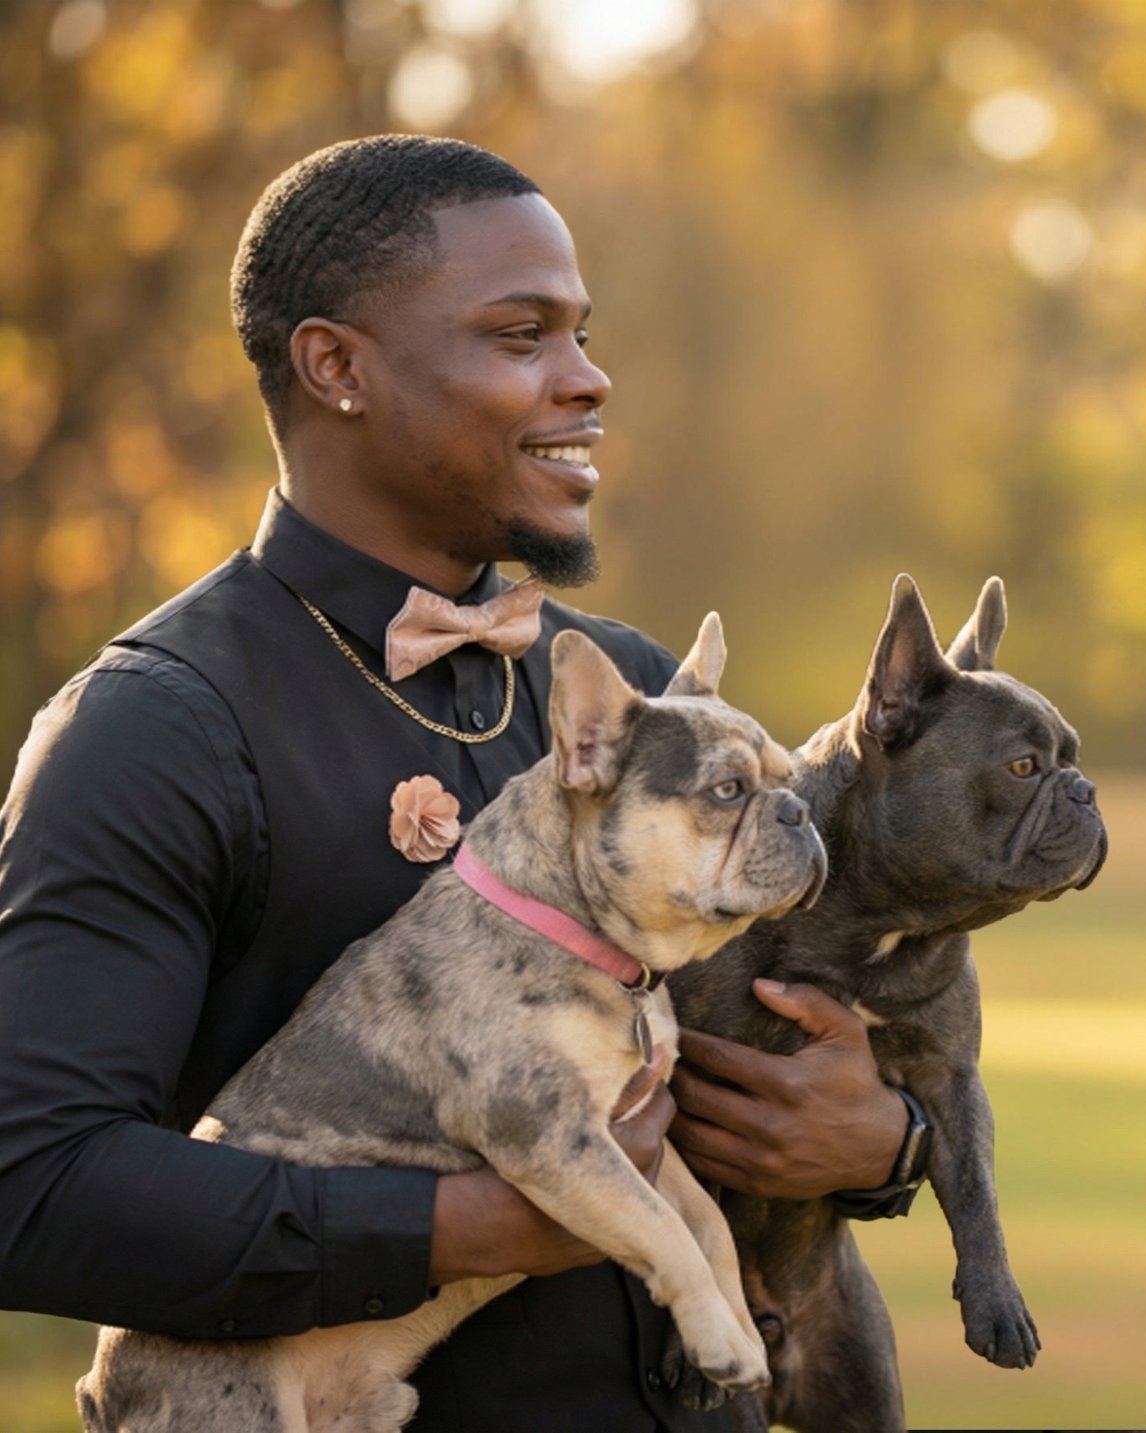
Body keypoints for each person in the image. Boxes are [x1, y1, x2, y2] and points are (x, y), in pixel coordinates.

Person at [0, 134, 917, 1431]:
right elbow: (33, 1186)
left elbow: (746, 1056)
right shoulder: (156, 728)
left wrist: (883, 1143)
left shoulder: (643, 696)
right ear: (337, 368)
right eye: (521, 334)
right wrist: (453, 1222)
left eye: (583, 335)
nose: (588, 379)